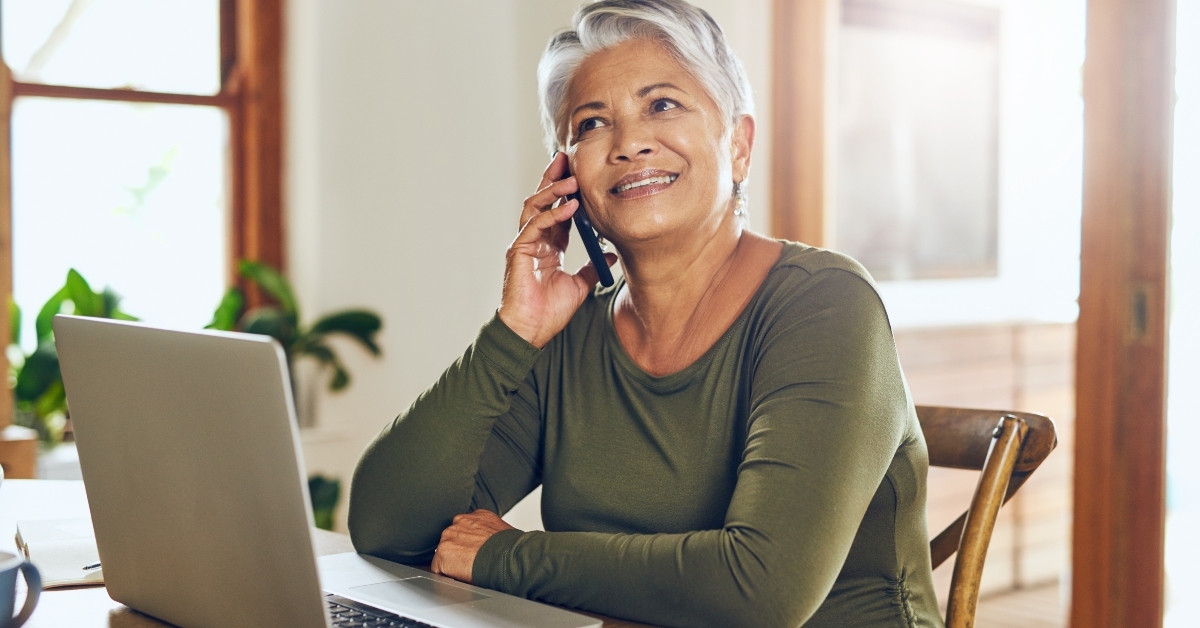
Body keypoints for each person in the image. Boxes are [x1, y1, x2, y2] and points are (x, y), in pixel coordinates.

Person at [348, 1, 941, 626]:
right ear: (566, 177)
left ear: (738, 145)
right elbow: (391, 531)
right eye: (591, 123)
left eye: (662, 105)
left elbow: (761, 591)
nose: (629, 143)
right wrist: (513, 332)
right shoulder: (571, 333)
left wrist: (507, 556)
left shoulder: (826, 304)